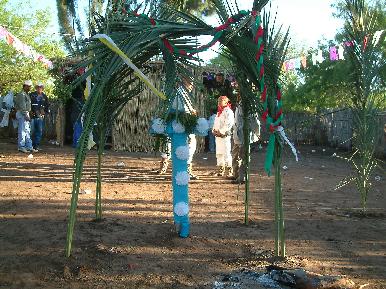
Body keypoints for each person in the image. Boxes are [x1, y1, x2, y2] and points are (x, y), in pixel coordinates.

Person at [158, 80, 199, 180]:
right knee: (189, 145)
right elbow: (183, 110)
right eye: (190, 83)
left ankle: (181, 169)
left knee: (175, 145)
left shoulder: (178, 93)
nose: (192, 86)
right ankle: (185, 170)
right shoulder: (181, 93)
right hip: (182, 124)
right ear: (185, 82)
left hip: (176, 123)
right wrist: (192, 113)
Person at [232, 94, 261, 184]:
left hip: (244, 135)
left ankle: (242, 177)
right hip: (238, 135)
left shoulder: (248, 104)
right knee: (238, 156)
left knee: (244, 156)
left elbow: (254, 121)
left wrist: (257, 132)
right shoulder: (240, 103)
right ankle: (238, 175)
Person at [212, 95, 234, 177]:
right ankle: (220, 170)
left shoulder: (229, 111)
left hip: (224, 135)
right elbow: (215, 123)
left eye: (221, 100)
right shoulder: (219, 112)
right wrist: (214, 130)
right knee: (219, 153)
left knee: (226, 152)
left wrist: (221, 131)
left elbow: (229, 124)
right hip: (217, 136)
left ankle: (229, 170)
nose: (219, 102)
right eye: (218, 101)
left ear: (226, 102)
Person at [14, 80, 37, 153]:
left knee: (27, 130)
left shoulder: (26, 94)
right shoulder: (22, 94)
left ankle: (29, 146)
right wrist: (26, 114)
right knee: (22, 131)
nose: (30, 88)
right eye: (29, 86)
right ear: (25, 86)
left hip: (25, 113)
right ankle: (21, 146)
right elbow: (22, 106)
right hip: (22, 113)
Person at [30, 82, 49, 150]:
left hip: (40, 117)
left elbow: (47, 106)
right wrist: (30, 112)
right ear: (36, 88)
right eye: (38, 87)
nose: (39, 88)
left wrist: (44, 113)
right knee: (31, 131)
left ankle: (36, 146)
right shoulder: (31, 95)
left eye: (40, 87)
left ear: (42, 88)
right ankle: (30, 145)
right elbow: (28, 104)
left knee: (39, 131)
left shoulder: (44, 96)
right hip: (32, 117)